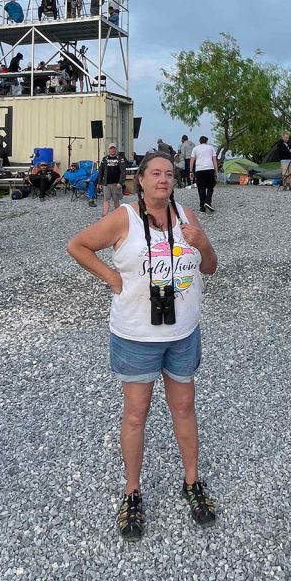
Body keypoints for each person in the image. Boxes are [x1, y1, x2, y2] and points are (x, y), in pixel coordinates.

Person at [66, 151, 219, 541]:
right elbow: (78, 246)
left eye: (169, 174)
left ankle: (191, 482)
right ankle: (132, 491)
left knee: (184, 407)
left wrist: (203, 243)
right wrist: (113, 280)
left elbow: (210, 267)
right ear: (141, 179)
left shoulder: (187, 217)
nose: (163, 180)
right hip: (136, 334)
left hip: (182, 331)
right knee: (136, 414)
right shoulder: (124, 218)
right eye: (155, 173)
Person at [190, 136, 218, 213]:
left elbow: (192, 160)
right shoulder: (211, 148)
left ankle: (202, 207)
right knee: (210, 187)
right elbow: (214, 160)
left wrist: (190, 171)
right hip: (209, 168)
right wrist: (216, 171)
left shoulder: (195, 149)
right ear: (206, 141)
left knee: (201, 188)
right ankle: (208, 202)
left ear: (199, 141)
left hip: (199, 170)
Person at [100, 143, 128, 216]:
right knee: (106, 200)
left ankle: (117, 215)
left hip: (116, 184)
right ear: (109, 150)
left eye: (114, 148)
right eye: (111, 148)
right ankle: (105, 215)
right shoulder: (105, 159)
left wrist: (120, 182)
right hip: (106, 184)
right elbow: (101, 171)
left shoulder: (120, 158)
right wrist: (99, 182)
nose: (112, 150)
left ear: (116, 149)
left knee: (116, 200)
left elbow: (123, 171)